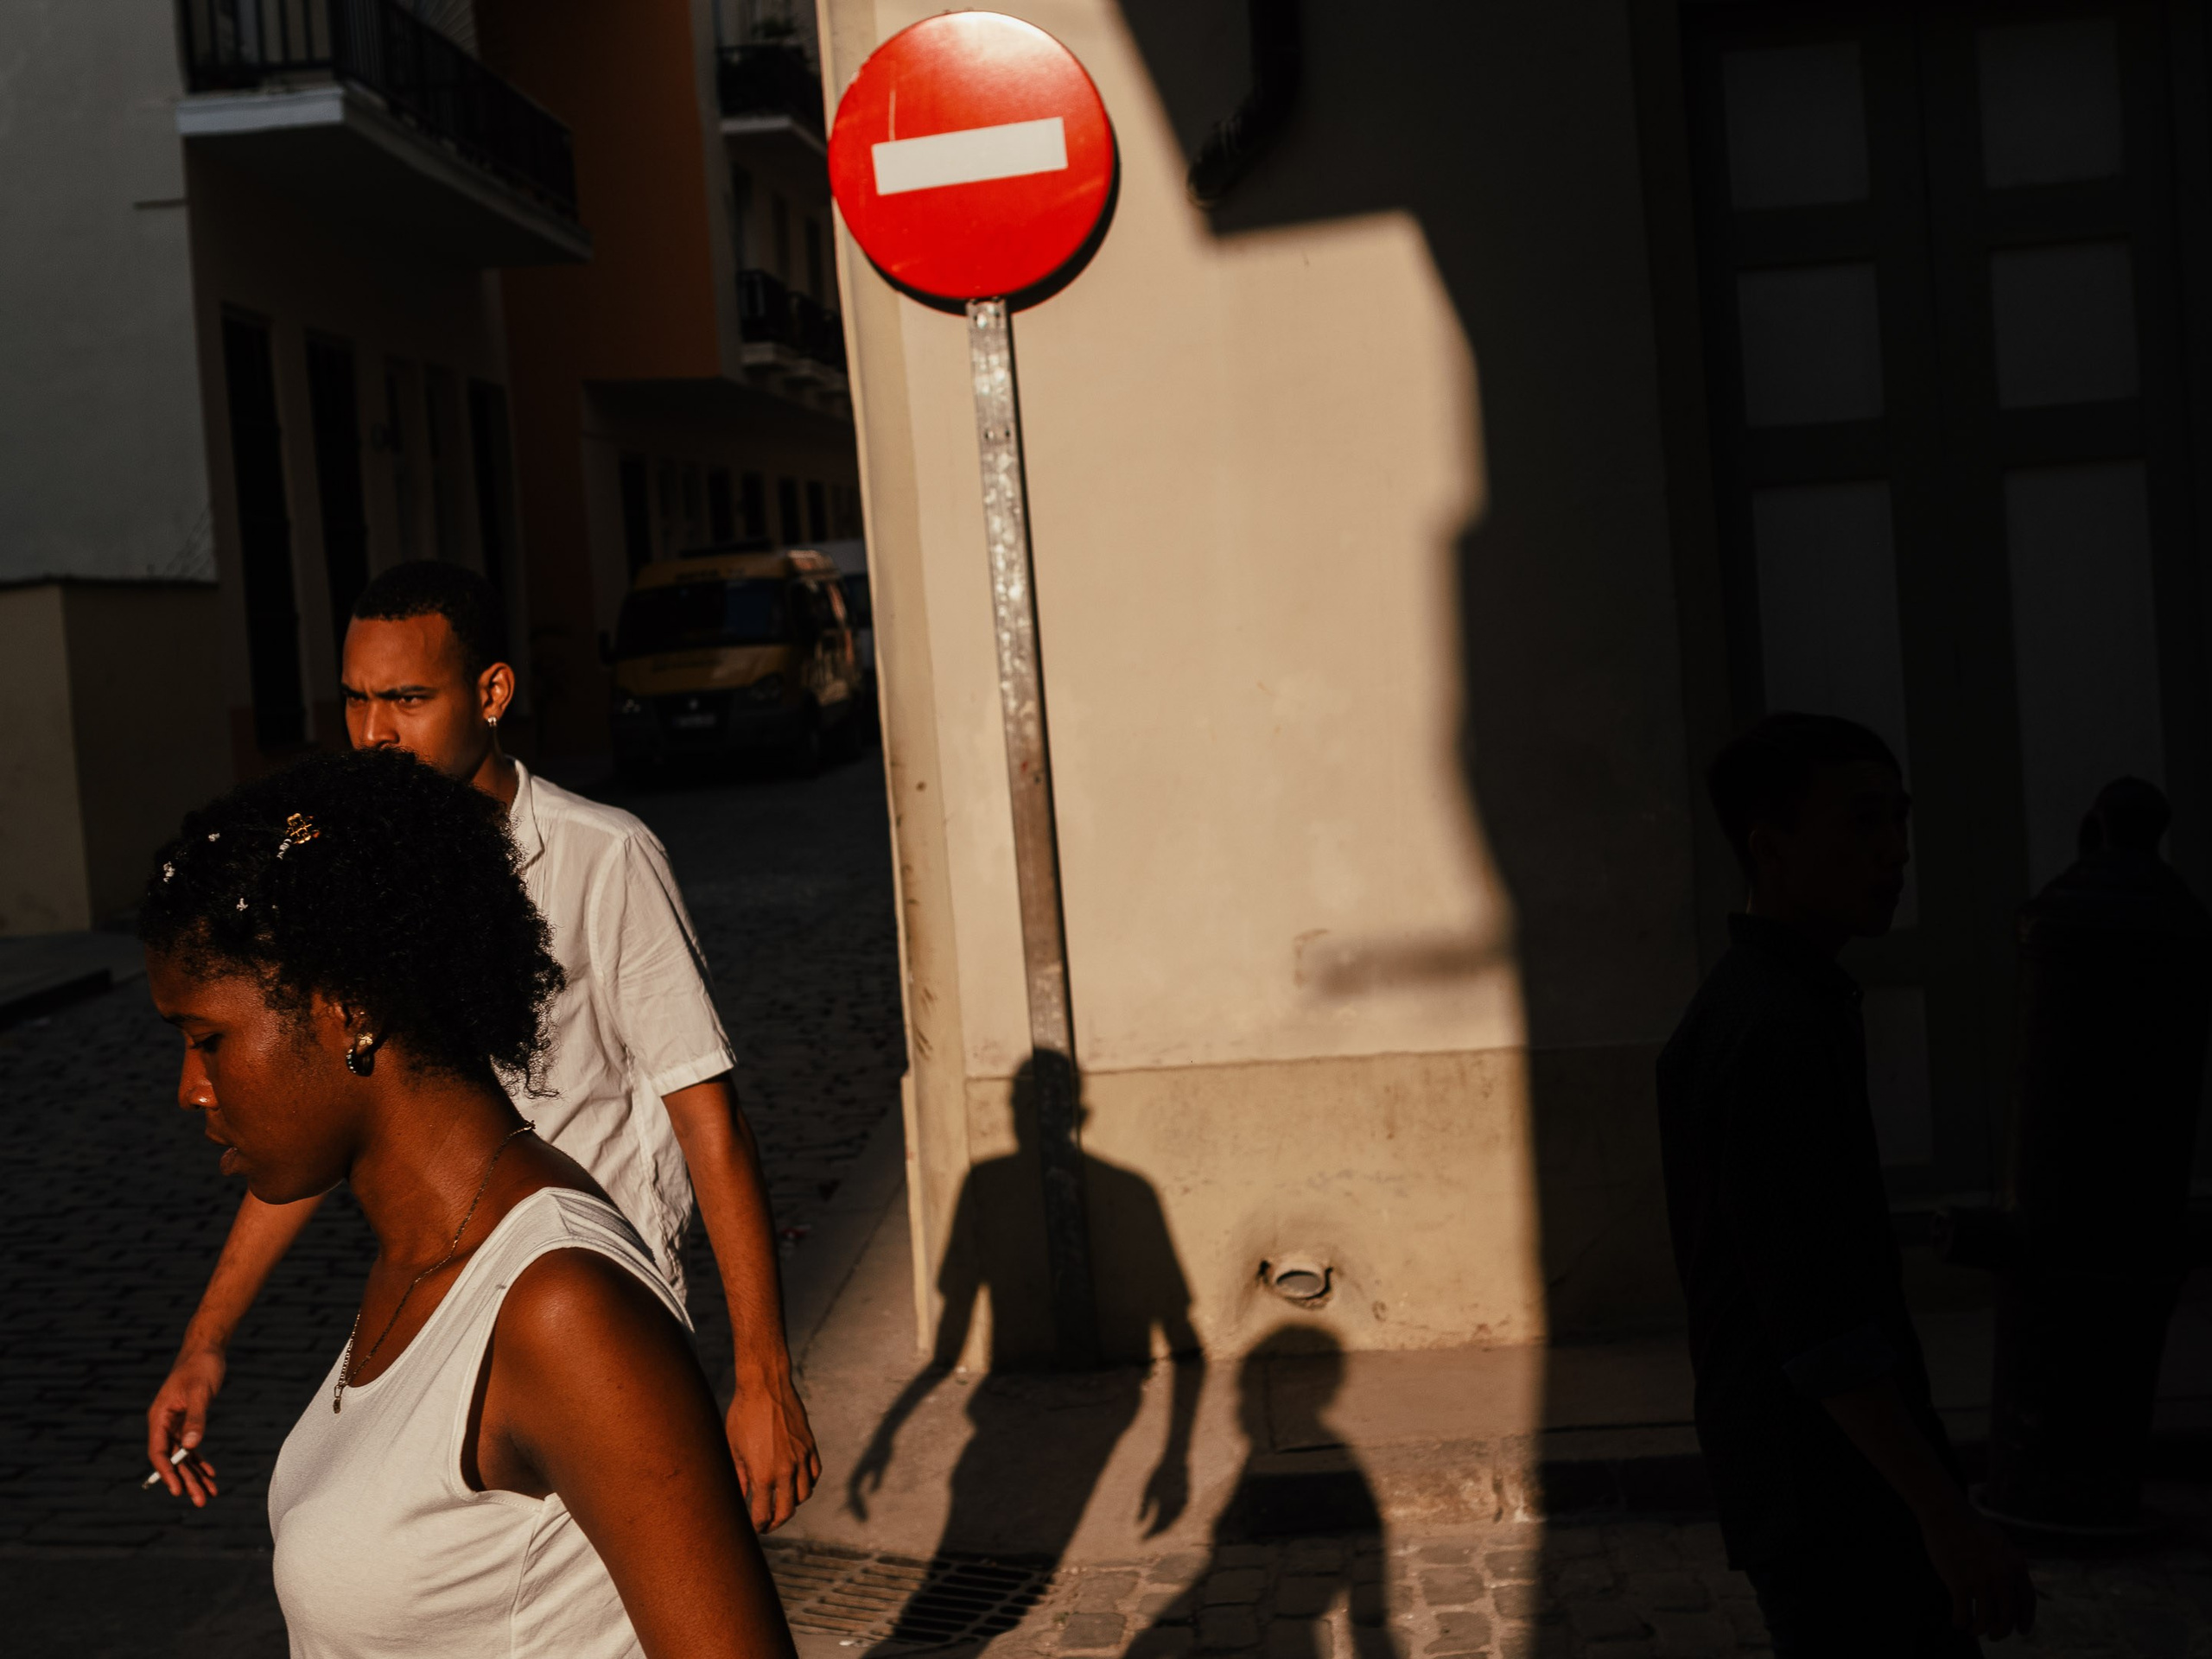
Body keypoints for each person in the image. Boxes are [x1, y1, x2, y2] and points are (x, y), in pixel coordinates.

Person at [147, 561, 817, 1529]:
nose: (375, 732)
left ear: (492, 693)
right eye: (356, 700)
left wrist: (764, 1376)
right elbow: (317, 1105)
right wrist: (206, 1338)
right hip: (440, 1303)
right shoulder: (354, 880)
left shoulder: (604, 857)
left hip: (588, 1312)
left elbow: (709, 1122)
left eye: (407, 699)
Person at [139, 747, 796, 1657]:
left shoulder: (561, 1308)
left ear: (350, 1009)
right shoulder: (420, 1255)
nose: (191, 1090)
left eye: (208, 1040)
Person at [1657, 713, 2035, 1655]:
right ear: (1771, 849)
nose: (1894, 850)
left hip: (1808, 1478)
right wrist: (1944, 1516)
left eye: (1899, 819)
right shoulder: (1773, 1028)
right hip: (1827, 1491)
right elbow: (1817, 1320)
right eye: (1862, 822)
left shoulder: (1772, 1003)